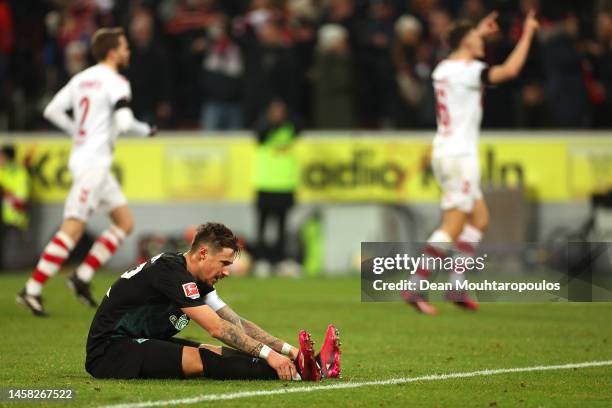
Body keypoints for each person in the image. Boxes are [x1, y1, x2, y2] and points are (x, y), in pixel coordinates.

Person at [403, 11, 539, 314]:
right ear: (466, 42)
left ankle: (455, 286)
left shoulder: (443, 68)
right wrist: (528, 33)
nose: (484, 44)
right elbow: (509, 71)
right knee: (453, 224)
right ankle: (416, 284)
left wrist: (473, 30)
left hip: (447, 151)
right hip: (459, 156)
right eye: (479, 39)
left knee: (479, 219)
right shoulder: (468, 70)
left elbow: (459, 49)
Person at [85, 222, 341, 381]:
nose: (227, 271)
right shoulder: (170, 271)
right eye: (225, 263)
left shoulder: (196, 277)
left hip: (138, 339)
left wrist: (289, 351)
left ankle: (310, 365)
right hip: (111, 351)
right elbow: (217, 328)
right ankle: (300, 373)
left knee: (210, 351)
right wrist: (271, 357)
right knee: (201, 361)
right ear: (204, 253)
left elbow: (236, 324)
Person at [17, 27, 156, 317]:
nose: (128, 51)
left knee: (124, 221)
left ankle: (81, 277)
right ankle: (31, 290)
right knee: (74, 227)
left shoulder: (81, 78)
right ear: (112, 52)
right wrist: (148, 130)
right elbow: (126, 120)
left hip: (90, 160)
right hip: (93, 164)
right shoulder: (116, 81)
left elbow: (52, 110)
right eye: (125, 47)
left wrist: (76, 134)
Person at [253, 99, 301, 276]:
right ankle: (261, 261)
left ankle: (280, 260)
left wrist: (285, 117)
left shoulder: (290, 129)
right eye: (274, 111)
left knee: (282, 227)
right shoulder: (264, 130)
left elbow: (300, 123)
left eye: (281, 111)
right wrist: (271, 121)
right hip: (265, 184)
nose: (277, 115)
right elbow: (259, 134)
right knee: (262, 226)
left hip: (284, 186)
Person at [0, 144, 31, 270]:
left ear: (7, 157)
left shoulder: (20, 174)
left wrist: (6, 193)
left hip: (15, 220)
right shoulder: (2, 172)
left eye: (1, 156)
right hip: (3, 219)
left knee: (13, 260)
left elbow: (22, 203)